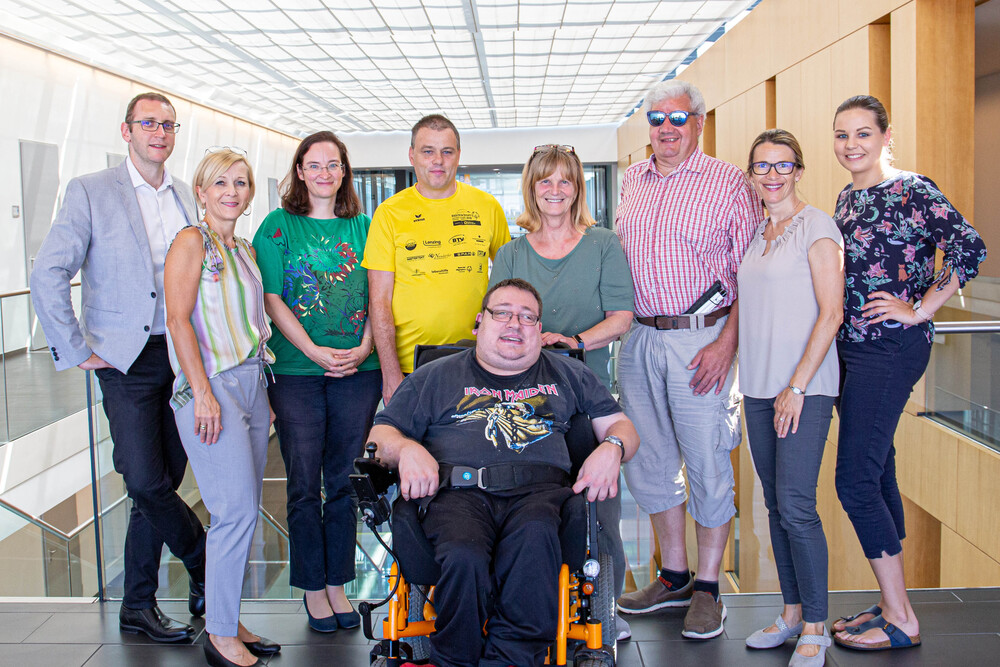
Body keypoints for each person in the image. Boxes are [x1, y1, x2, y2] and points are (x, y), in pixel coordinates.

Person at [368, 278, 639, 667]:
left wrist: (612, 448)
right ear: (479, 323)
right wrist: (407, 449)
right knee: (463, 555)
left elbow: (623, 427)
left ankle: (509, 660)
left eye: (528, 317)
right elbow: (380, 434)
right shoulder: (435, 376)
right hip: (456, 495)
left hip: (540, 497)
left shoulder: (569, 375)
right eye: (503, 313)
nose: (515, 323)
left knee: (533, 543)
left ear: (540, 331)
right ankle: (456, 661)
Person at [30, 92, 207, 642]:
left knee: (163, 480)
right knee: (143, 478)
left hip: (183, 354)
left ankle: (137, 605)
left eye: (168, 125)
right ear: (126, 131)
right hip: (124, 358)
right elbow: (48, 270)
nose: (160, 132)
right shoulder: (90, 190)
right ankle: (205, 560)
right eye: (148, 123)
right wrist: (76, 347)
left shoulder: (184, 195)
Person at [829, 95, 987, 652]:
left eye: (863, 134)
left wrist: (920, 307)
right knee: (879, 471)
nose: (852, 145)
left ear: (885, 137)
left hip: (889, 351)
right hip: (850, 352)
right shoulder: (848, 198)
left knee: (853, 481)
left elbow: (970, 246)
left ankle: (902, 618)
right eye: (843, 135)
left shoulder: (912, 189)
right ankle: (889, 598)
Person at [613, 79, 761, 640]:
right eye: (656, 119)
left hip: (704, 339)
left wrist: (728, 344)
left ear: (699, 122)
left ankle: (707, 587)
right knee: (648, 463)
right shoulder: (633, 179)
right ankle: (672, 577)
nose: (667, 130)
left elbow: (750, 272)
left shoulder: (727, 183)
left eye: (678, 119)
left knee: (705, 462)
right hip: (642, 339)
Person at [489, 143, 635, 639]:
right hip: (523, 403)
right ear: (531, 187)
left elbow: (621, 316)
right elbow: (500, 320)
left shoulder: (603, 245)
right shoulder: (510, 252)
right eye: (544, 181)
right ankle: (530, 604)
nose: (554, 191)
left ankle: (604, 614)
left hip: (585, 394)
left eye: (565, 181)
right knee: (531, 506)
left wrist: (573, 342)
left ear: (578, 189)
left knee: (597, 508)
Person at [251, 131, 379, 632]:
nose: (324, 172)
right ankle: (311, 586)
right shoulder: (277, 227)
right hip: (297, 373)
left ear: (344, 171)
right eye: (313, 164)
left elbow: (379, 295)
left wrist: (366, 347)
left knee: (345, 481)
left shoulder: (366, 227)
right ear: (299, 171)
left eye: (333, 163)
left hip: (357, 373)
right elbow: (271, 298)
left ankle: (338, 584)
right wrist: (313, 351)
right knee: (304, 483)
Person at [165, 149, 279, 667]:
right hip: (211, 389)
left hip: (253, 384)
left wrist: (266, 397)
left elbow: (253, 328)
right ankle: (219, 636)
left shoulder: (245, 250)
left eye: (240, 182)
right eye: (220, 184)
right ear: (201, 192)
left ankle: (228, 619)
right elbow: (178, 321)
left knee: (244, 512)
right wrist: (203, 391)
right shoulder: (192, 243)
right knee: (232, 512)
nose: (231, 191)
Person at [737, 130, 844, 666]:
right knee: (776, 506)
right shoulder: (759, 231)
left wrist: (797, 385)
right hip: (756, 388)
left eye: (783, 166)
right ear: (752, 174)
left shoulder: (817, 226)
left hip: (801, 390)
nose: (772, 175)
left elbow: (831, 313)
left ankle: (817, 626)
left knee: (798, 508)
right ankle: (792, 612)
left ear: (799, 170)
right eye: (762, 167)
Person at [362, 114, 510, 405]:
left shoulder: (487, 206)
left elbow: (508, 284)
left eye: (447, 151)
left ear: (458, 155)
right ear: (412, 155)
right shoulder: (389, 214)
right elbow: (379, 301)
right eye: (428, 151)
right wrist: (391, 375)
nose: (438, 160)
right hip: (411, 366)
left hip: (478, 360)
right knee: (415, 449)